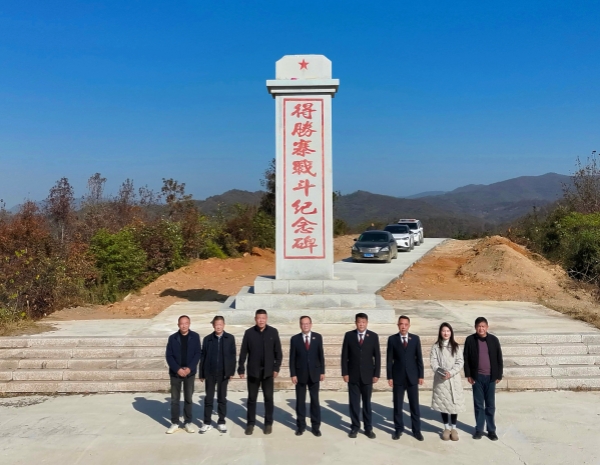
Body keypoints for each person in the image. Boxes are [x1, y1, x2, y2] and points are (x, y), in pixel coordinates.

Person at [238, 309, 282, 435]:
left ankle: (268, 423)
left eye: (263, 318)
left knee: (268, 398)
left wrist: (276, 368)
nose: (261, 320)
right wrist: (241, 368)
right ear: (255, 319)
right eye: (259, 318)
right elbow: (243, 351)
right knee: (252, 399)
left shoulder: (273, 332)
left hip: (268, 372)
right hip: (253, 372)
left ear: (266, 318)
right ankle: (250, 423)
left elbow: (278, 352)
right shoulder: (249, 333)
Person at [341, 312, 381, 439]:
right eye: (359, 322)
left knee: (367, 404)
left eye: (363, 322)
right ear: (356, 323)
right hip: (353, 376)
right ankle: (355, 427)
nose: (361, 324)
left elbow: (377, 356)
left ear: (367, 323)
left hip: (368, 376)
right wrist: (345, 373)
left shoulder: (373, 336)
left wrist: (376, 373)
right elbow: (344, 356)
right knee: (354, 403)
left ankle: (368, 428)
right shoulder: (349, 335)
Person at [463, 317, 504, 441]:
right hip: (477, 378)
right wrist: (469, 375)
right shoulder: (470, 340)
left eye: (483, 326)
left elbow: (499, 358)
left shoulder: (493, 340)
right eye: (479, 326)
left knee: (490, 405)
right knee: (479, 405)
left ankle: (491, 430)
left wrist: (499, 375)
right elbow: (466, 358)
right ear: (475, 327)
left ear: (487, 327)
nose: (481, 328)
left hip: (491, 378)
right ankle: (479, 429)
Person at [386, 315, 424, 441]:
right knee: (398, 405)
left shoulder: (415, 339)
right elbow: (389, 360)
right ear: (398, 325)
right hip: (398, 377)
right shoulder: (392, 339)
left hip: (412, 377)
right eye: (401, 324)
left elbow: (419, 358)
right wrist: (390, 376)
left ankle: (416, 430)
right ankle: (398, 429)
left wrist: (421, 375)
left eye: (406, 324)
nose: (403, 326)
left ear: (409, 326)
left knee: (414, 406)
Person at [199, 316, 236, 433]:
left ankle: (221, 422)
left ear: (224, 325)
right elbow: (203, 356)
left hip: (223, 373)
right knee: (209, 399)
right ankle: (207, 422)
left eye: (220, 324)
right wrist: (201, 373)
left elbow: (232, 356)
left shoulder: (230, 338)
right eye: (216, 324)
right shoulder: (207, 339)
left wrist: (231, 372)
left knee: (222, 398)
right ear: (213, 326)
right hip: (210, 373)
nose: (218, 326)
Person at [165, 315, 202, 434]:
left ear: (189, 324)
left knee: (188, 398)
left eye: (186, 323)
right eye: (182, 323)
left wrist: (189, 368)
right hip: (175, 374)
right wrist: (177, 369)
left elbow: (198, 353)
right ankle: (175, 423)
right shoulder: (173, 338)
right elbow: (169, 356)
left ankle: (188, 422)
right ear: (178, 325)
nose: (184, 325)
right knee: (175, 399)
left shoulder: (195, 337)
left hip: (189, 374)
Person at [289, 315, 325, 437]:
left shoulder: (317, 337)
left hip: (315, 374)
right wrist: (293, 374)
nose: (305, 325)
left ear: (311, 324)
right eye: (303, 323)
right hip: (300, 374)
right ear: (300, 325)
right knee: (300, 401)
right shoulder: (295, 339)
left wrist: (322, 371)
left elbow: (321, 355)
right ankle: (301, 426)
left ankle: (315, 427)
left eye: (307, 323)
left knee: (314, 401)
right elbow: (292, 358)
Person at [430, 322, 465, 441]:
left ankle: (454, 428)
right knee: (443, 404)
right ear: (440, 332)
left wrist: (451, 372)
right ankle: (446, 428)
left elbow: (460, 362)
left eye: (448, 331)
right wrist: (442, 372)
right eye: (443, 331)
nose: (446, 333)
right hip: (441, 380)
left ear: (451, 332)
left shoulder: (456, 346)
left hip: (453, 379)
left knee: (453, 405)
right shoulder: (436, 347)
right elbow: (433, 362)